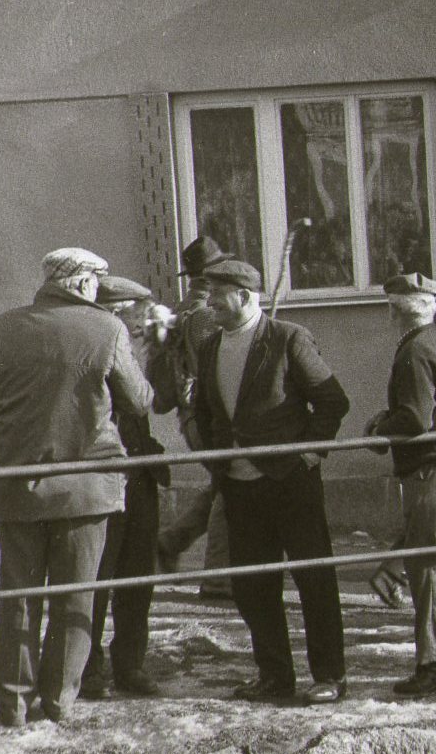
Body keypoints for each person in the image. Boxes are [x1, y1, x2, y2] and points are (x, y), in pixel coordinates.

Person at [0, 248, 155, 726]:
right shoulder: (106, 328)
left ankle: (13, 704)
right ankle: (58, 701)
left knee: (19, 597)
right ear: (84, 284)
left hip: (18, 487)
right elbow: (139, 401)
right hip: (85, 489)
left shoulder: (3, 327)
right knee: (75, 597)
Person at [192, 257, 351, 705]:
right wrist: (217, 459)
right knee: (252, 586)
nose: (209, 302)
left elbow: (333, 401)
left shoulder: (287, 338)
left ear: (243, 296)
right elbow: (205, 412)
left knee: (313, 580)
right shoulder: (210, 346)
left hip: (290, 482)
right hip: (239, 486)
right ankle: (274, 675)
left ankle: (329, 676)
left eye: (217, 293)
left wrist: (311, 452)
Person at [366, 273, 436, 696]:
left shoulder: (414, 350)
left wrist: (379, 430)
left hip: (433, 465)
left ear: (394, 310)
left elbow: (415, 418)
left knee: (428, 564)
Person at [81, 276, 169, 700]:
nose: (141, 325)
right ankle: (89, 667)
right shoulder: (96, 347)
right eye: (134, 316)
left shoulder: (136, 350)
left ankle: (130, 664)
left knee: (137, 575)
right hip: (104, 476)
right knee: (98, 576)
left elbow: (159, 401)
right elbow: (138, 399)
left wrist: (162, 351)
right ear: (113, 313)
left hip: (139, 474)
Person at [152, 235, 233, 599]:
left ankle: (170, 543)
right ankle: (218, 580)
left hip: (197, 418)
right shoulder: (203, 316)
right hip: (208, 418)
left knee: (223, 484)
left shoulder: (188, 309)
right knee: (230, 489)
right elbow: (215, 372)